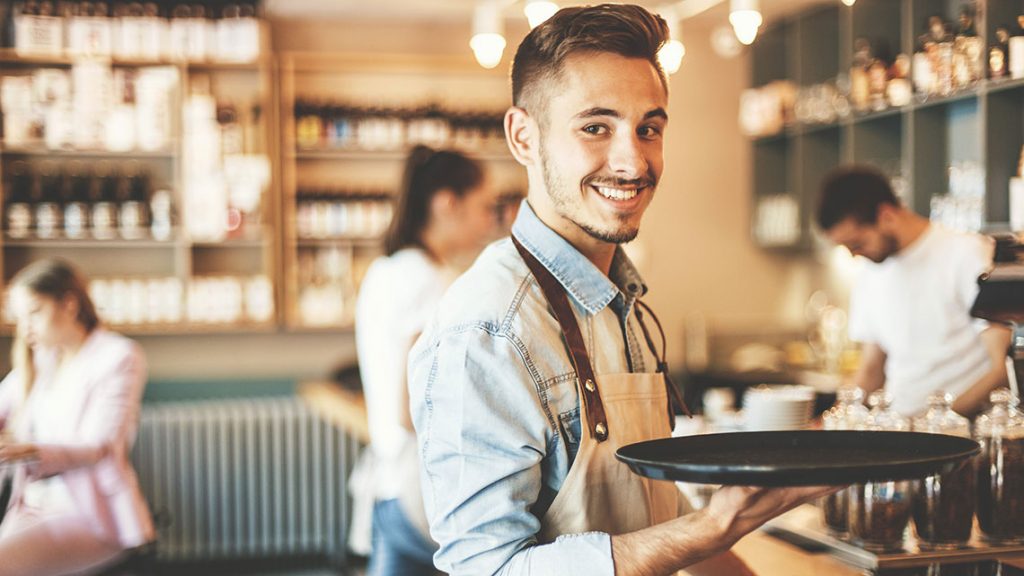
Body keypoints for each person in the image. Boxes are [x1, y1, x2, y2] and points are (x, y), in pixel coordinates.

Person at [408, 5, 836, 576]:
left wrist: (719, 530)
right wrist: (712, 526)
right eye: (595, 127)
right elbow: (488, 569)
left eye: (648, 129)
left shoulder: (618, 300)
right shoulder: (487, 330)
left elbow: (656, 512)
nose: (633, 162)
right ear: (523, 137)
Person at [353, 145, 501, 576]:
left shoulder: (386, 270)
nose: (489, 222)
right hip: (423, 488)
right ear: (447, 203)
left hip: (388, 486)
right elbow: (413, 407)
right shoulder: (433, 283)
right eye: (484, 207)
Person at [817, 165, 1011, 417]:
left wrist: (940, 424)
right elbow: (871, 370)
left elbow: (1001, 370)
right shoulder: (870, 272)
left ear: (886, 215)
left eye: (857, 243)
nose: (854, 255)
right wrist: (833, 421)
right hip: (899, 427)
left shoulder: (966, 254)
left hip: (961, 430)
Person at [0, 259, 154, 576]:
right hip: (34, 505)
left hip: (90, 513)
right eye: (20, 317)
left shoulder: (118, 355)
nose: (25, 328)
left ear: (69, 305)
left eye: (34, 312)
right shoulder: (43, 359)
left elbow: (99, 446)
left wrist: (28, 451)